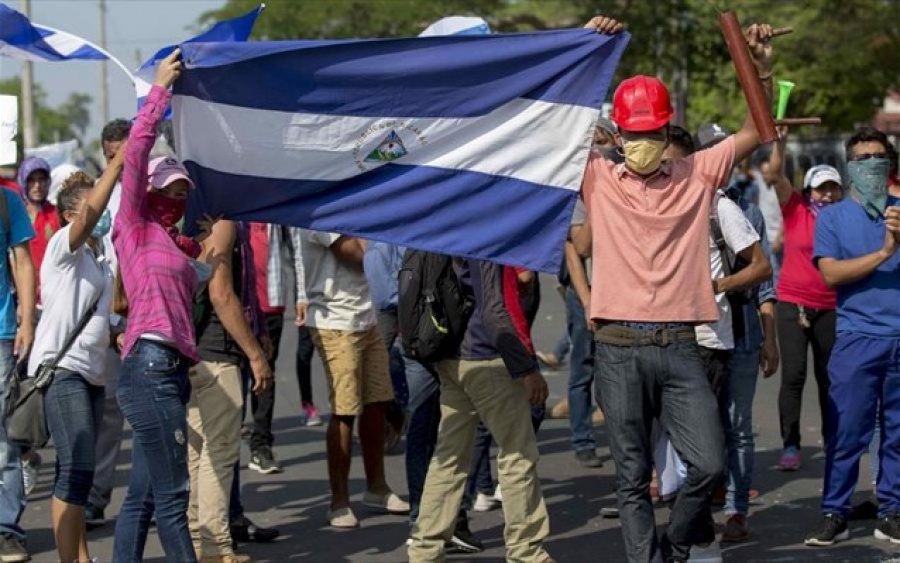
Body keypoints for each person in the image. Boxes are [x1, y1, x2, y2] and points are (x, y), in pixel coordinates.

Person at [572, 15, 776, 562]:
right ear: (618, 135)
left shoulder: (698, 173)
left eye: (652, 133)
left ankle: (680, 542)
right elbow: (553, 124)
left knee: (708, 464)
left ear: (668, 132)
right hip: (617, 346)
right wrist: (592, 47)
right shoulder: (595, 176)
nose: (642, 143)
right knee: (632, 476)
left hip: (683, 345)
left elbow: (761, 129)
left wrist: (759, 65)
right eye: (633, 134)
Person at [111, 49, 206, 563]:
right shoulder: (134, 224)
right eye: (167, 189)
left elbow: (201, 258)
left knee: (146, 497)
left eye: (182, 191)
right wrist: (160, 92)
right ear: (149, 191)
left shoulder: (179, 246)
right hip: (148, 367)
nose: (176, 197)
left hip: (172, 370)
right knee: (174, 500)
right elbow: (134, 154)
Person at [407, 259, 554, 563]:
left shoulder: (440, 229)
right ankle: (527, 553)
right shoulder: (481, 234)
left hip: (449, 354)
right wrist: (526, 368)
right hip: (486, 357)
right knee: (518, 455)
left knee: (449, 457)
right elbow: (493, 310)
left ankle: (424, 549)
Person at [805, 127, 900, 547]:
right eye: (861, 159)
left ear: (891, 163)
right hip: (857, 338)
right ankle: (835, 512)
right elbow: (830, 274)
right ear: (850, 167)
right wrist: (884, 252)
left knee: (897, 434)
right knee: (847, 432)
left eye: (878, 157)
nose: (870, 165)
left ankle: (891, 510)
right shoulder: (833, 217)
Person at [29, 152, 122, 562]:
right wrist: (116, 166)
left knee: (81, 475)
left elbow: (106, 319)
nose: (101, 213)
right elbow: (93, 213)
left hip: (92, 375)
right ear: (70, 215)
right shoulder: (62, 250)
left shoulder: (100, 262)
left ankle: (80, 556)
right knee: (76, 466)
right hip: (63, 371)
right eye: (92, 208)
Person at [298, 229, 408, 528]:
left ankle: (377, 488)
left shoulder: (354, 209)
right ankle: (339, 501)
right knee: (345, 410)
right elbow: (357, 256)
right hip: (335, 320)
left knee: (377, 402)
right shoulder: (322, 214)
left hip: (366, 316)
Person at [189, 216, 272, 563]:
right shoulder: (222, 225)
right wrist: (254, 354)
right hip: (216, 354)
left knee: (197, 455)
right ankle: (215, 547)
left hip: (193, 352)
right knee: (217, 455)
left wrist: (259, 330)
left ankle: (197, 541)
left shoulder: (196, 221)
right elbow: (221, 292)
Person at [769, 127, 841, 471]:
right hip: (792, 303)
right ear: (809, 190)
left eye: (833, 188)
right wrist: (779, 143)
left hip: (830, 306)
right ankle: (791, 444)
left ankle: (833, 440)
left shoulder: (845, 218)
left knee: (829, 377)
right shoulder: (795, 208)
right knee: (794, 376)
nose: (827, 195)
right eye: (821, 188)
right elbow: (774, 174)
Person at [85, 117, 132, 529]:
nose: (118, 164)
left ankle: (152, 497)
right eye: (111, 157)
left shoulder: (151, 192)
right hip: (99, 323)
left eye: (125, 156)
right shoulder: (97, 197)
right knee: (97, 413)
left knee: (138, 412)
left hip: (139, 319)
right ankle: (87, 494)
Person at [0, 161, 37, 563]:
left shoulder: (7, 201)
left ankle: (6, 529)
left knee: (3, 440)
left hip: (2, 332)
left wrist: (27, 320)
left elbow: (23, 261)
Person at [245, 222, 290, 474]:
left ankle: (261, 445)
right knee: (235, 378)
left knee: (265, 376)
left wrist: (302, 296)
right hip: (237, 307)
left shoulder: (274, 208)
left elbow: (294, 249)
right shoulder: (232, 210)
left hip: (271, 304)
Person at [289, 226, 321, 427]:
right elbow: (298, 255)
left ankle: (342, 409)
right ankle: (307, 404)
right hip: (309, 291)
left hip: (335, 291)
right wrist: (302, 296)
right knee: (305, 350)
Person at [17, 156, 59, 302]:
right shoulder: (17, 215)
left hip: (55, 292)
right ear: (23, 182)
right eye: (31, 180)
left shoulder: (58, 214)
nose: (37, 185)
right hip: (25, 294)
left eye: (41, 179)